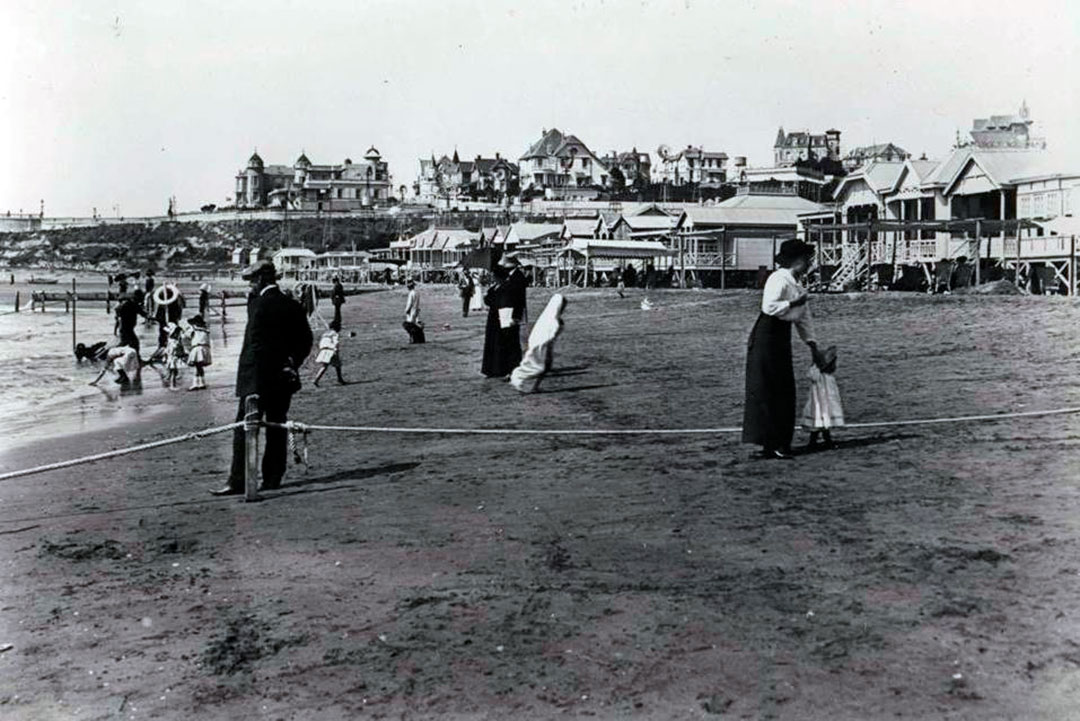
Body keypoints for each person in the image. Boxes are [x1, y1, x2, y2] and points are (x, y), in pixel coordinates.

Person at [213, 260, 313, 496]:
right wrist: (290, 364)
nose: (250, 286)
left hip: (256, 379)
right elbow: (305, 340)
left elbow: (256, 346)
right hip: (283, 378)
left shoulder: (258, 305)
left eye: (251, 281)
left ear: (260, 280)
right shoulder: (291, 304)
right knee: (277, 427)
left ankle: (238, 480)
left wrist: (258, 378)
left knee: (244, 428)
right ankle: (272, 478)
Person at [742, 239, 821, 460]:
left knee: (783, 388)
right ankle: (771, 443)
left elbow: (804, 320)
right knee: (767, 388)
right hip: (766, 336)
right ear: (798, 260)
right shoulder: (778, 279)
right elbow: (768, 307)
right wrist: (795, 303)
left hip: (780, 337)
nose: (809, 264)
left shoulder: (797, 285)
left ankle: (778, 442)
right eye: (807, 260)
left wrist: (813, 345)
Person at [481, 254, 527, 378]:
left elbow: (518, 299)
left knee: (510, 343)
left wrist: (516, 316)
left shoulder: (516, 279)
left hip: (508, 314)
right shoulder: (503, 283)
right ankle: (497, 369)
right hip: (498, 316)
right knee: (499, 343)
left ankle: (512, 369)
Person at [510, 294, 566, 393]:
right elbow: (547, 335)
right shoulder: (551, 320)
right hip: (542, 346)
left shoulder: (551, 318)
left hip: (546, 346)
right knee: (539, 367)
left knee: (543, 368)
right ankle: (519, 379)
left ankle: (533, 386)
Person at [802, 345, 844, 450]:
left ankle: (816, 442)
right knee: (821, 423)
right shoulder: (819, 375)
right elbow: (812, 374)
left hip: (823, 404)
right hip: (820, 404)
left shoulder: (827, 377)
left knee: (821, 424)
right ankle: (824, 442)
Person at [313, 319, 347, 386]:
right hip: (331, 351)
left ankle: (316, 379)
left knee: (325, 366)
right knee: (337, 365)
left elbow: (321, 343)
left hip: (323, 350)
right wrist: (336, 350)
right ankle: (340, 379)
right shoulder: (335, 334)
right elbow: (336, 342)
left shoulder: (325, 334)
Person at [185, 313, 212, 390]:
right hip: (205, 348)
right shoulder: (206, 330)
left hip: (197, 348)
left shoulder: (193, 330)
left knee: (197, 366)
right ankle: (202, 382)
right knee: (199, 367)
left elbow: (186, 336)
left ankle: (195, 384)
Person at [163, 323, 186, 390]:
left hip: (174, 357)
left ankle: (169, 380)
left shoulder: (174, 340)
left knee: (173, 371)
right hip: (173, 357)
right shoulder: (173, 341)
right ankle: (172, 385)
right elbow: (171, 350)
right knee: (173, 371)